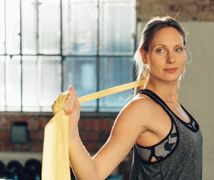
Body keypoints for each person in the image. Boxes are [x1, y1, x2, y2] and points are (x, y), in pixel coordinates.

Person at [63, 16, 203, 180]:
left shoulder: (175, 108)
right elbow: (92, 175)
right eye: (161, 50)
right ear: (144, 56)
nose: (171, 59)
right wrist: (71, 130)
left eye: (178, 49)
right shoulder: (140, 109)